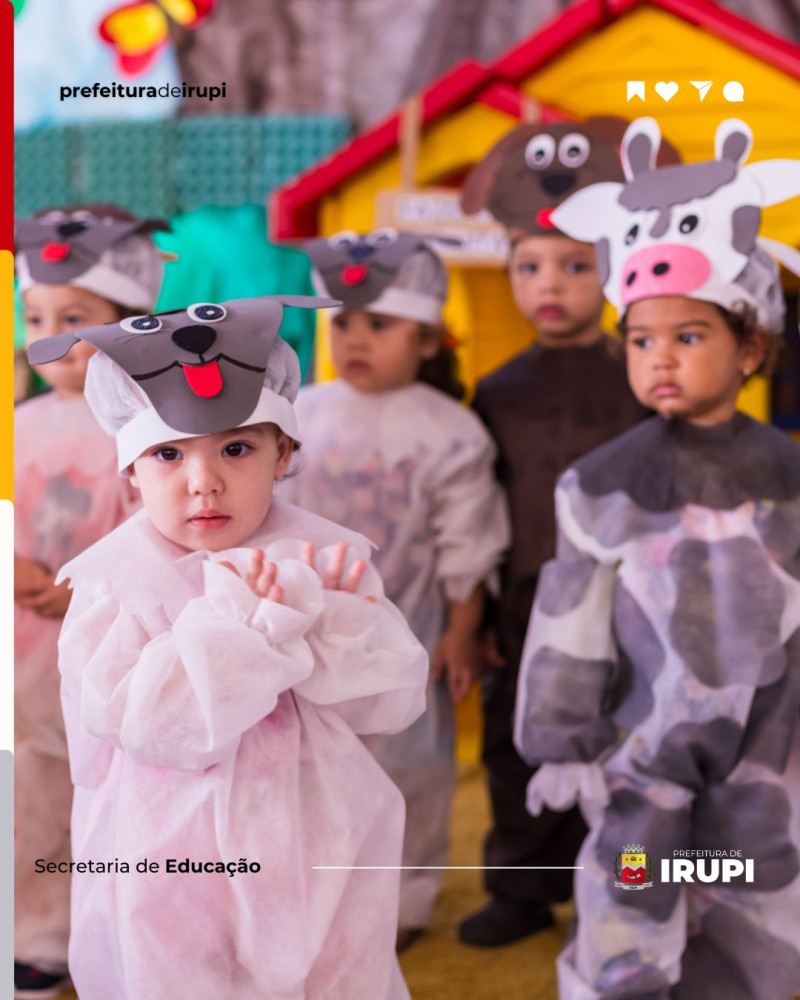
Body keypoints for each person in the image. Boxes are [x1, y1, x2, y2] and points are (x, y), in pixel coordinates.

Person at [30, 294, 428, 1000]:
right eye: (167, 454)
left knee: (332, 966)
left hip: (309, 825)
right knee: (178, 975)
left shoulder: (320, 557)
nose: (203, 481)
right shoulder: (115, 584)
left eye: (236, 448)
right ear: (129, 473)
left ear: (285, 453)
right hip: (164, 847)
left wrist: (337, 621)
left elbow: (389, 702)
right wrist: (253, 628)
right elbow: (153, 726)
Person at [515, 116, 800, 998]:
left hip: (773, 756)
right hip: (640, 756)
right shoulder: (603, 484)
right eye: (642, 338)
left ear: (751, 345)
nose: (661, 358)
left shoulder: (792, 478)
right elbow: (571, 613)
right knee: (629, 907)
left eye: (689, 335)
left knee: (759, 910)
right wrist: (561, 738)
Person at [284, 230, 510, 950]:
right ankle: (312, 891)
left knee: (411, 767)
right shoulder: (299, 413)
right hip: (302, 637)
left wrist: (461, 629)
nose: (355, 339)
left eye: (379, 324)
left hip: (407, 633)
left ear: (429, 337)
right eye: (343, 321)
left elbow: (467, 542)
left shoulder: (450, 430)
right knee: (306, 769)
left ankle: (406, 902)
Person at [457, 120, 652, 946]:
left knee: (637, 746)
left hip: (632, 600)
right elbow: (480, 502)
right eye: (529, 267)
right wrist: (485, 610)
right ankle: (525, 887)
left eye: (575, 266)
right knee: (516, 743)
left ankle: (634, 881)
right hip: (529, 601)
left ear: (613, 266)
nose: (550, 284)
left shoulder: (641, 372)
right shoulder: (496, 390)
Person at [13, 204, 168, 998]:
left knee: (113, 799)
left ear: (127, 322)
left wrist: (76, 587)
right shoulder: (20, 421)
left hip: (109, 656)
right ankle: (38, 935)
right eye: (36, 315)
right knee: (33, 803)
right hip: (26, 663)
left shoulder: (146, 428)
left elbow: (162, 537)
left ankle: (113, 933)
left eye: (73, 318)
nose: (49, 336)